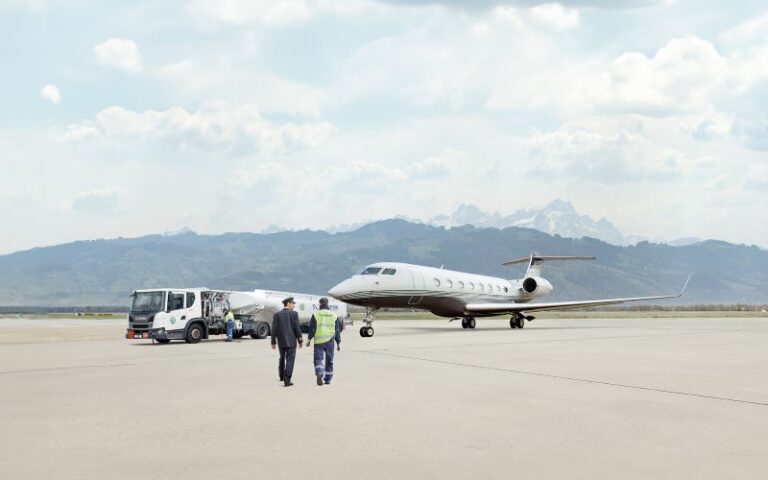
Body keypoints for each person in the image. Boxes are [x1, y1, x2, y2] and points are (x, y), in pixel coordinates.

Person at [307, 297, 342, 386]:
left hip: (318, 341)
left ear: (320, 304)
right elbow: (337, 330)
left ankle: (319, 372)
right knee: (329, 360)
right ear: (327, 303)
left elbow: (312, 329)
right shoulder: (334, 315)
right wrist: (338, 342)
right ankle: (328, 379)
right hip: (330, 341)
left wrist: (309, 339)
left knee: (318, 359)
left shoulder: (316, 314)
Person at [271, 297, 303, 387]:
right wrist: (300, 340)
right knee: (290, 359)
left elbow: (274, 329)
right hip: (292, 341)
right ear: (288, 304)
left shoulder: (277, 315)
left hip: (281, 341)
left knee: (282, 357)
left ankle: (281, 376)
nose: (294, 305)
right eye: (293, 303)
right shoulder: (294, 314)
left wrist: (273, 342)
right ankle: (287, 380)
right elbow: (297, 328)